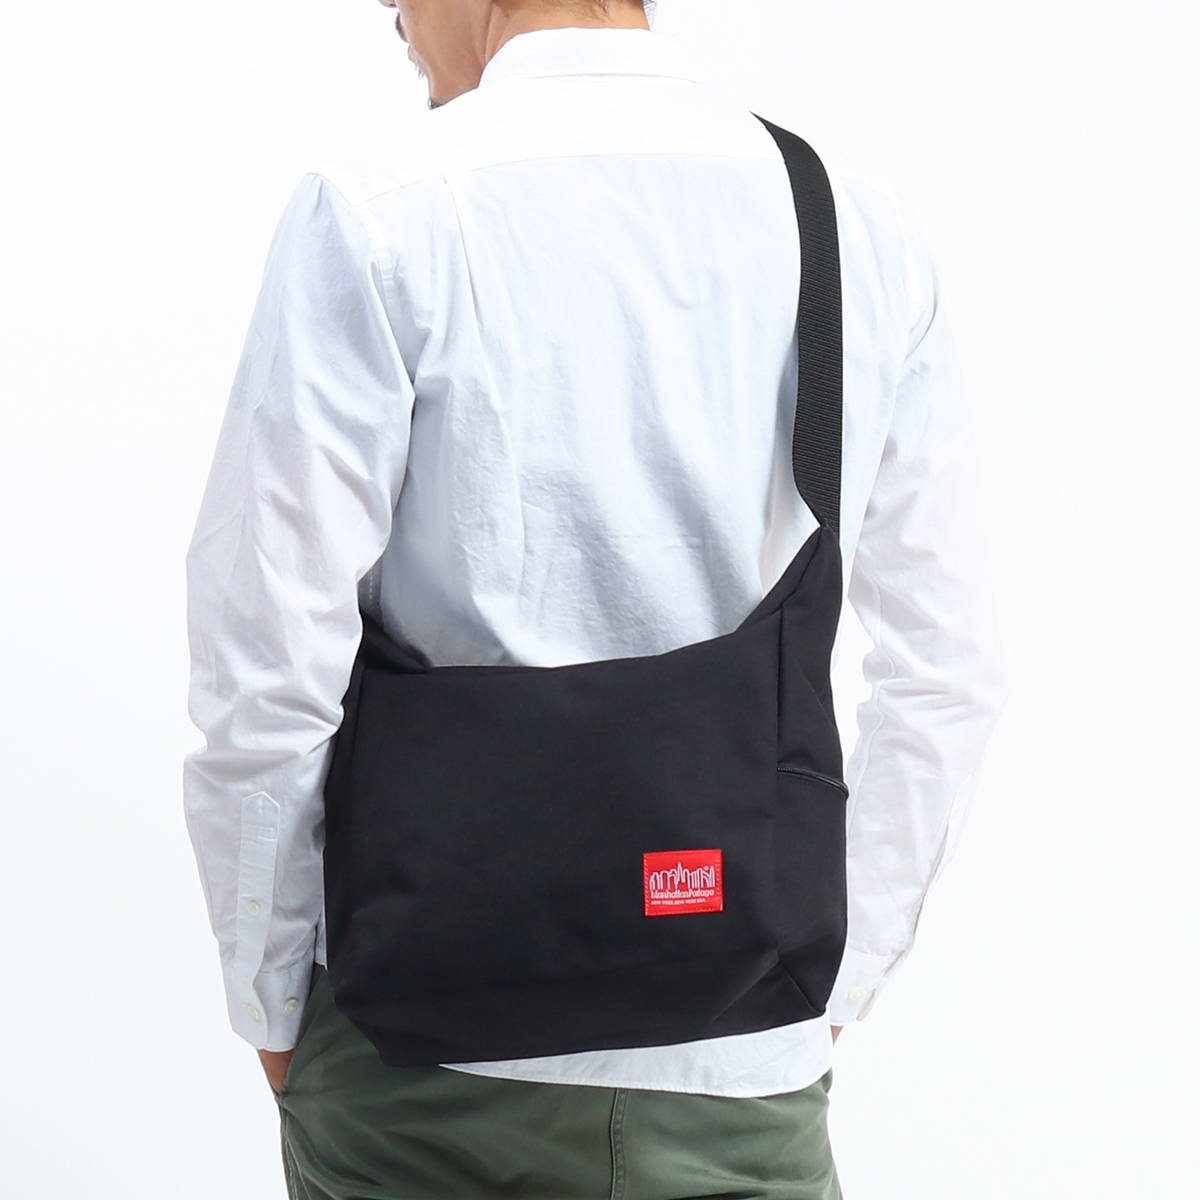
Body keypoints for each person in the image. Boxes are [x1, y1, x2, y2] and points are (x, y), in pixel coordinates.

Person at [182, 2, 1009, 1196]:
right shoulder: (847, 222)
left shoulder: (380, 212)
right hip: (744, 1062)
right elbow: (947, 668)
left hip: (416, 1068)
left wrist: (270, 1005)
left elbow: (265, 662)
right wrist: (837, 978)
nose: (394, 22)